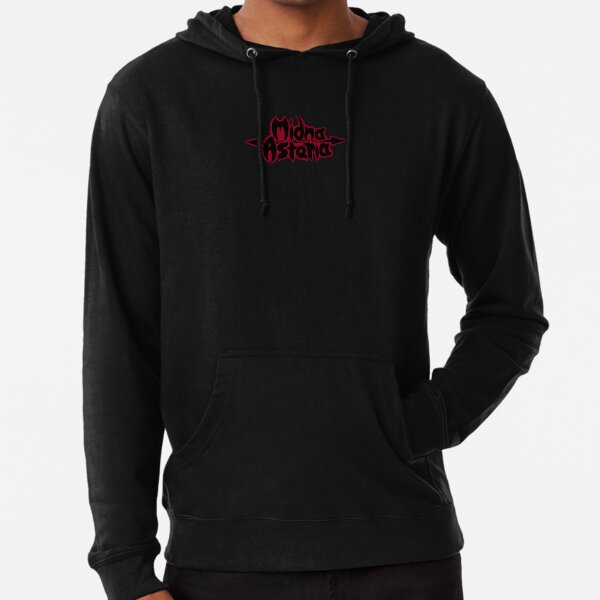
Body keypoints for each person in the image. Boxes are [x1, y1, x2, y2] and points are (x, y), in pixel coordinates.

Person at [82, 1, 549, 599]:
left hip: (404, 552)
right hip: (220, 557)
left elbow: (510, 310)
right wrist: (126, 569)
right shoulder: (149, 98)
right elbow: (120, 339)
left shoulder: (443, 95)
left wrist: (414, 425)